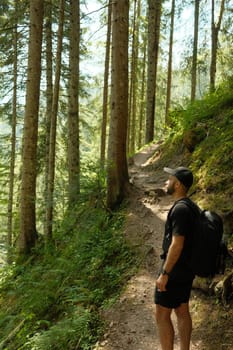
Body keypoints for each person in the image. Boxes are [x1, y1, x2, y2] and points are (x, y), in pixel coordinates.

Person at [154, 166, 196, 350]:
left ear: (177, 184)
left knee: (161, 315)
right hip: (187, 268)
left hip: (175, 269)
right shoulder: (191, 206)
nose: (166, 182)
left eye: (169, 179)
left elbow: (177, 244)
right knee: (182, 310)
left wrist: (165, 273)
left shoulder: (180, 210)